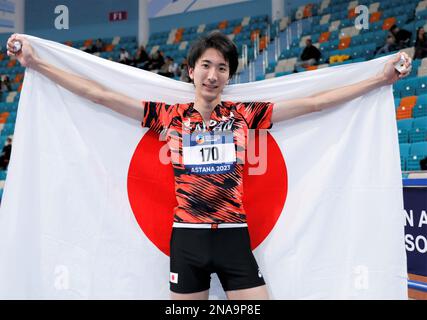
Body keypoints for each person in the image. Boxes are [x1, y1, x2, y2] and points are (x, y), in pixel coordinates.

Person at [6, 32, 412, 300]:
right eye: (206, 66)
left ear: (229, 75)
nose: (213, 75)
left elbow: (315, 103)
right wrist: (37, 64)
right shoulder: (169, 116)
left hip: (235, 239)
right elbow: (97, 93)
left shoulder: (245, 114)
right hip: (187, 242)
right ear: (191, 71)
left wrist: (377, 80)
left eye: (221, 68)